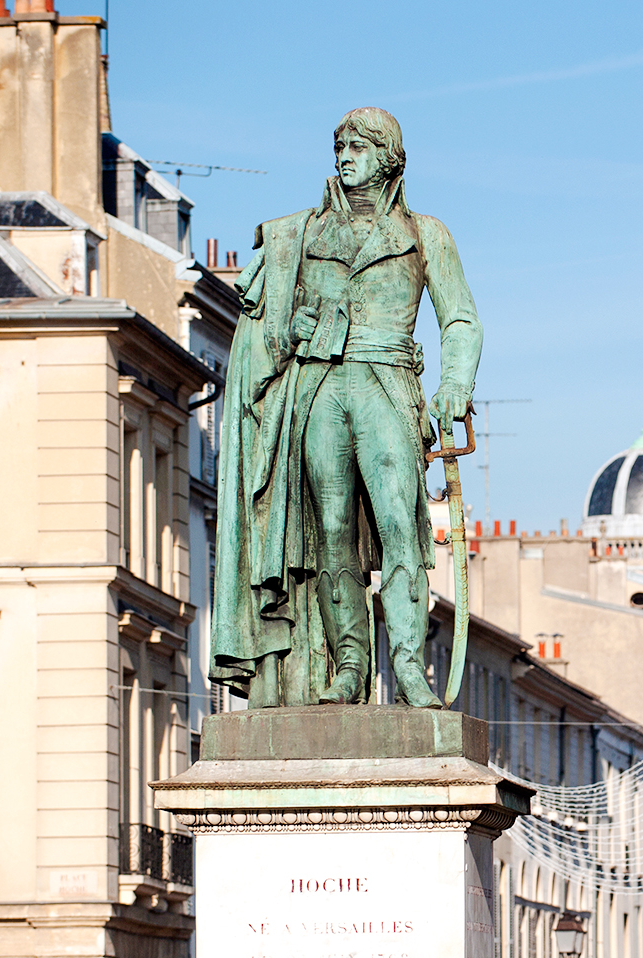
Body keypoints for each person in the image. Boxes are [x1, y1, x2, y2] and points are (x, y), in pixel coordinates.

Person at [209, 107, 482, 709]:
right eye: (339, 145)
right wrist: (291, 323)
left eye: (358, 145)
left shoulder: (424, 233)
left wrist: (455, 383)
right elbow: (268, 317)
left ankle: (409, 669)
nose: (344, 155)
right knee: (328, 532)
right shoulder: (302, 234)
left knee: (396, 527)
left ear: (390, 157)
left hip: (387, 381)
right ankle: (351, 667)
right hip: (320, 387)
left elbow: (459, 318)